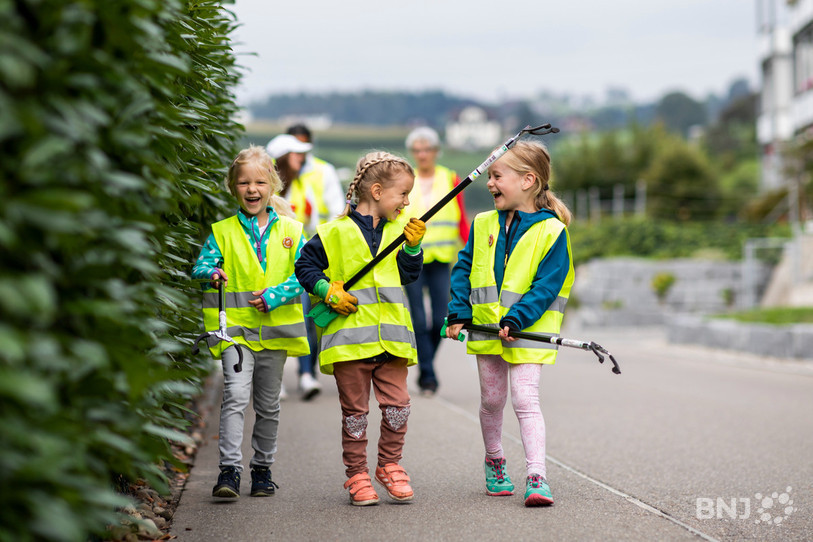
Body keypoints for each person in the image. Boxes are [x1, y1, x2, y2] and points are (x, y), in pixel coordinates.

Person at [444, 141, 574, 507]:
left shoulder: (553, 231)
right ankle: (495, 460)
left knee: (525, 400)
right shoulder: (483, 223)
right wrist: (458, 311)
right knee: (492, 400)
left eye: (497, 176)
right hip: (486, 328)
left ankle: (537, 475)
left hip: (527, 331)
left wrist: (517, 318)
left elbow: (548, 285)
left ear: (528, 180)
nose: (490, 183)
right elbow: (463, 270)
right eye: (489, 176)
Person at [294, 151, 425, 506]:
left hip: (392, 341)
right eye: (403, 194)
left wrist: (413, 249)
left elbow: (409, 275)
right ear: (378, 191)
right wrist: (326, 290)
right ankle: (357, 474)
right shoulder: (332, 232)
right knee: (355, 415)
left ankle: (390, 465)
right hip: (349, 343)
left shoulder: (401, 230)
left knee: (399, 406)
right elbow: (304, 267)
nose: (407, 202)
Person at [192, 145, 310, 499]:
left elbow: (306, 273)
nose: (252, 189)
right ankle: (229, 471)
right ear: (233, 187)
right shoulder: (222, 232)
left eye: (259, 182)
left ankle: (262, 470)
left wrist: (275, 295)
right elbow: (200, 267)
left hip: (276, 332)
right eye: (244, 183)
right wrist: (211, 273)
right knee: (235, 396)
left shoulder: (292, 231)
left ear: (272, 185)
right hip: (235, 332)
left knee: (268, 405)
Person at [403, 126, 469, 396]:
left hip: (442, 259)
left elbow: (461, 218)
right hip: (412, 260)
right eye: (417, 150)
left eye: (427, 149)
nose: (422, 155)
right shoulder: (406, 179)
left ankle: (426, 364)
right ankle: (428, 375)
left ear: (436, 151)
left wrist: (473, 252)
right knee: (418, 320)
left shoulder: (450, 178)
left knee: (442, 317)